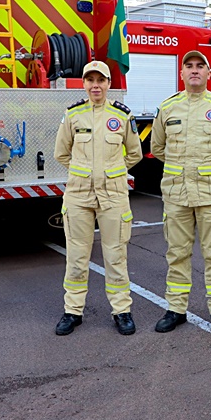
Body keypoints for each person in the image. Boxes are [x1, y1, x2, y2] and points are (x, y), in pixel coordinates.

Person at [151, 50, 211, 336]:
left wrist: (209, 170)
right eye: (188, 66)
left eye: (199, 66)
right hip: (177, 194)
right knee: (176, 253)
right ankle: (176, 309)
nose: (194, 70)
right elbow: (157, 148)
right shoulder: (168, 108)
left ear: (209, 73)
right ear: (181, 73)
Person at [54, 60, 142, 336]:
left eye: (101, 80)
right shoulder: (73, 115)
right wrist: (84, 174)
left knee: (116, 255)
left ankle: (122, 311)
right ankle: (73, 311)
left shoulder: (121, 115)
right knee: (77, 256)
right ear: (84, 84)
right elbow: (61, 153)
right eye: (90, 80)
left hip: (114, 194)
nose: (95, 85)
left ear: (108, 84)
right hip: (78, 195)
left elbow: (135, 153)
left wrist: (112, 173)